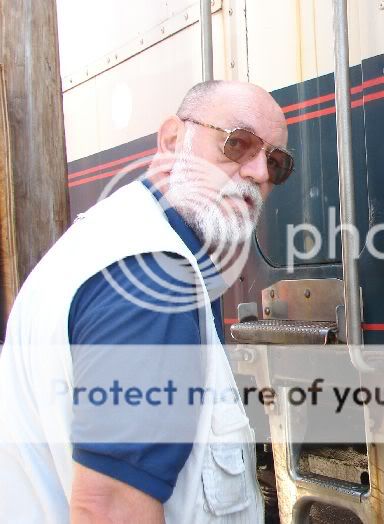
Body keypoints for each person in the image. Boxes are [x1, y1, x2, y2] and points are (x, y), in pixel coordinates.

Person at [0, 80, 293, 522]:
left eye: (275, 162)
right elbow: (110, 508)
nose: (258, 172)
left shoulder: (119, 240)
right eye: (238, 144)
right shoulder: (154, 278)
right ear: (173, 140)